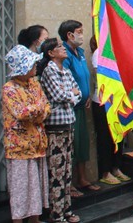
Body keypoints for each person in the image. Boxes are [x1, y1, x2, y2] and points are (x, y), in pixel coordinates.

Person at [1, 45, 51, 223]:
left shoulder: (34, 84)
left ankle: (35, 219)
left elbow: (46, 107)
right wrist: (37, 109)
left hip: (37, 143)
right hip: (19, 146)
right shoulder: (9, 89)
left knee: (36, 185)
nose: (35, 66)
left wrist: (36, 110)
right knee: (21, 188)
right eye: (32, 63)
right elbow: (21, 113)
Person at [39, 38, 82, 223]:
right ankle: (56, 214)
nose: (63, 49)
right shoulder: (50, 70)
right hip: (55, 129)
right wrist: (70, 94)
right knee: (56, 172)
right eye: (59, 47)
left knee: (67, 171)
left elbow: (78, 92)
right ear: (50, 53)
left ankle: (67, 210)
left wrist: (70, 94)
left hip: (68, 124)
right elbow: (58, 94)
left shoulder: (65, 70)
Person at [58, 20, 98, 194]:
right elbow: (65, 79)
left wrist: (86, 94)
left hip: (82, 105)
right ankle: (70, 184)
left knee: (82, 144)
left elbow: (83, 76)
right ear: (69, 34)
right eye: (79, 31)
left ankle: (82, 178)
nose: (81, 35)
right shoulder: (65, 54)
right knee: (72, 145)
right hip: (70, 108)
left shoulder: (80, 52)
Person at [89, 36, 130, 186]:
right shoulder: (98, 53)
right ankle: (105, 171)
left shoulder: (117, 53)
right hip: (103, 102)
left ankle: (116, 167)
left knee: (118, 136)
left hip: (117, 102)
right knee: (105, 137)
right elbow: (100, 76)